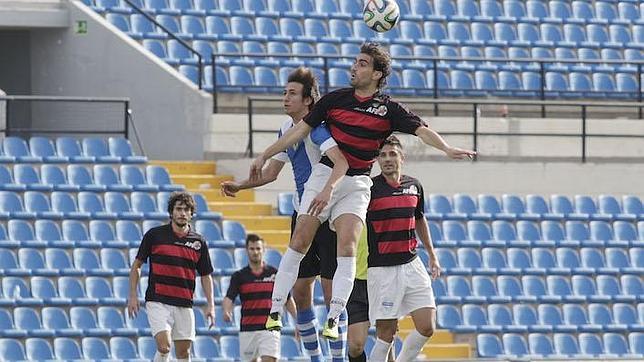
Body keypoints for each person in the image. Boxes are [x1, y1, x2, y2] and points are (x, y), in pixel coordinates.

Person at [249, 42, 474, 340]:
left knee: (348, 246)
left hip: (357, 182)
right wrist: (265, 153)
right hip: (325, 173)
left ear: (377, 74)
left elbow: (421, 129)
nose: (354, 67)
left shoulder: (389, 109)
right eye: (355, 62)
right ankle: (275, 309)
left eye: (362, 63)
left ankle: (334, 316)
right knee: (300, 238)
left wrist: (446, 148)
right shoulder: (334, 100)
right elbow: (299, 131)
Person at [221, 66, 348, 361]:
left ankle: (338, 358)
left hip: (327, 217)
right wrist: (241, 185)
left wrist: (329, 191)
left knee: (330, 296)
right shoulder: (284, 130)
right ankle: (315, 358)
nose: (285, 98)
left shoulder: (321, 128)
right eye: (284, 92)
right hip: (300, 213)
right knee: (302, 291)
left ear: (308, 100)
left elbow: (339, 162)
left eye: (292, 93)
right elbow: (271, 173)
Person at [367, 136, 442, 362]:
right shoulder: (369, 188)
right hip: (382, 270)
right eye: (383, 155)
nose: (387, 159)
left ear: (402, 158)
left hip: (412, 264)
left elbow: (419, 219)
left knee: (427, 326)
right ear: (377, 160)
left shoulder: (414, 186)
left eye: (392, 154)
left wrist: (432, 254)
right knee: (386, 336)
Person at [127, 192, 215, 362]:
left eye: (186, 209)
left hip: (184, 303)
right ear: (171, 212)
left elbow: (205, 275)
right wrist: (133, 295)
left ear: (191, 214)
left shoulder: (198, 242)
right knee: (164, 346)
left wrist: (211, 305)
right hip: (158, 300)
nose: (182, 213)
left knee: (183, 353)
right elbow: (137, 266)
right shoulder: (155, 235)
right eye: (178, 209)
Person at [223, 234, 298, 361]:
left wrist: (298, 320)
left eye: (258, 248)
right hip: (248, 329)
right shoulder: (239, 276)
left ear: (264, 250)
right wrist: (226, 310)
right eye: (252, 249)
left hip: (270, 328)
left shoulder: (274, 274)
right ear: (247, 250)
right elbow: (229, 297)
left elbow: (287, 299)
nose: (255, 252)